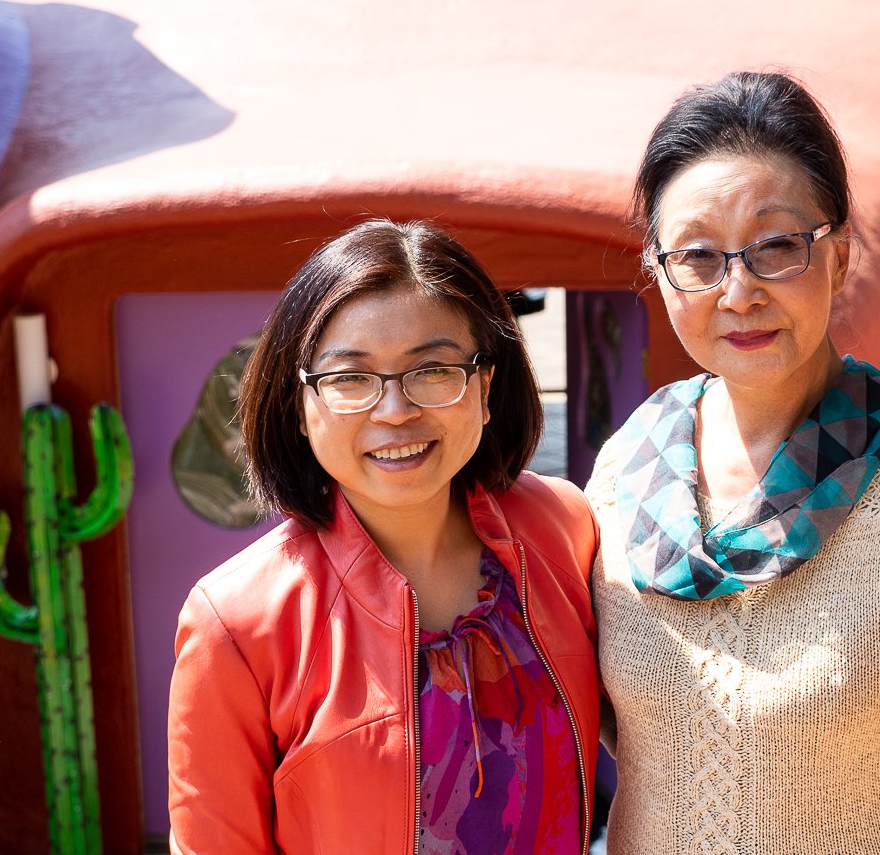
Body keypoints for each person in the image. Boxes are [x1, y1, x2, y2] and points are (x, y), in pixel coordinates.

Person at [586, 72, 880, 854]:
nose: (738, 292)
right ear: (658, 270)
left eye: (776, 247)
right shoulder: (626, 471)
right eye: (697, 256)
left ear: (840, 256)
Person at [167, 220, 601, 854]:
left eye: (433, 370)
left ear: (484, 387)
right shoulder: (235, 623)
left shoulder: (563, 528)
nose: (395, 412)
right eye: (350, 378)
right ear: (300, 405)